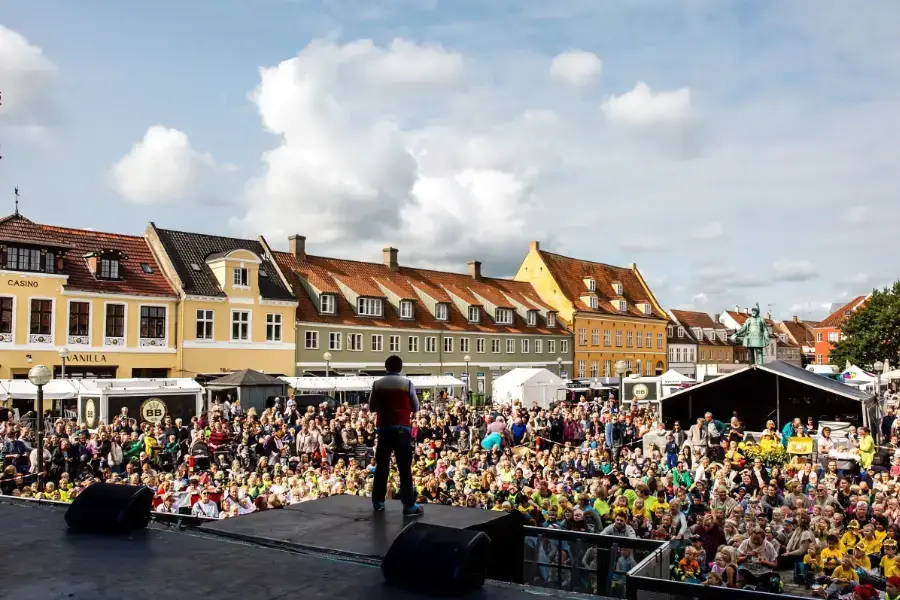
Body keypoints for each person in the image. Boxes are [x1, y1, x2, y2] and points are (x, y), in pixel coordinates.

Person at [369, 355, 423, 517]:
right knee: (404, 467)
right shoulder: (407, 384)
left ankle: (378, 502)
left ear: (386, 367)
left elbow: (372, 407)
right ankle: (408, 505)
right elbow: (415, 407)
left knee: (382, 466)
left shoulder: (377, 384)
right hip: (402, 430)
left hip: (384, 429)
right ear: (400, 368)